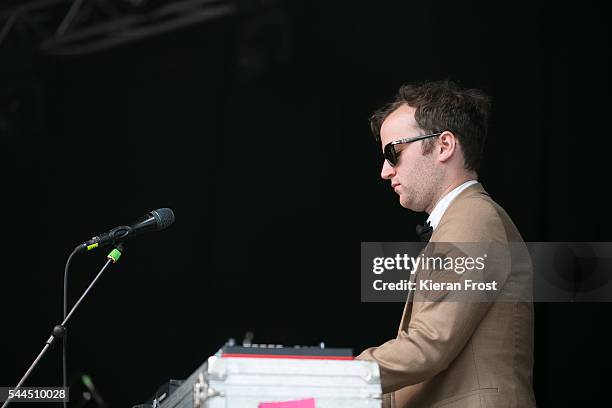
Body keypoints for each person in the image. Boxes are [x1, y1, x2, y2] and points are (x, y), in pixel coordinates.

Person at [356, 80, 536, 408]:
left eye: (393, 152)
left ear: (444, 146)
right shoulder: (464, 219)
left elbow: (428, 346)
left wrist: (332, 378)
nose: (384, 171)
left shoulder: (472, 219)